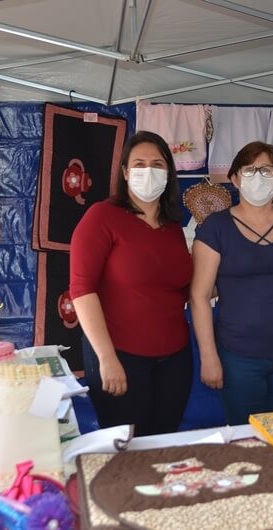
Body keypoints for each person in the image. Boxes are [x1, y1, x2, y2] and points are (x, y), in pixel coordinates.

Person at [190, 141, 273, 425]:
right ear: (235, 178)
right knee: (246, 439)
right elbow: (199, 296)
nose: (258, 177)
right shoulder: (216, 227)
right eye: (250, 170)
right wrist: (209, 355)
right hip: (237, 359)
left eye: (266, 170)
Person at [69, 130, 193, 436]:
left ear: (168, 173)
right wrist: (106, 358)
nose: (147, 171)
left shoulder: (174, 228)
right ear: (125, 172)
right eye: (138, 164)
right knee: (128, 453)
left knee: (164, 449)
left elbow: (182, 289)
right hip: (120, 358)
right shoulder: (102, 218)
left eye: (157, 164)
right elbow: (81, 291)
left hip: (175, 361)